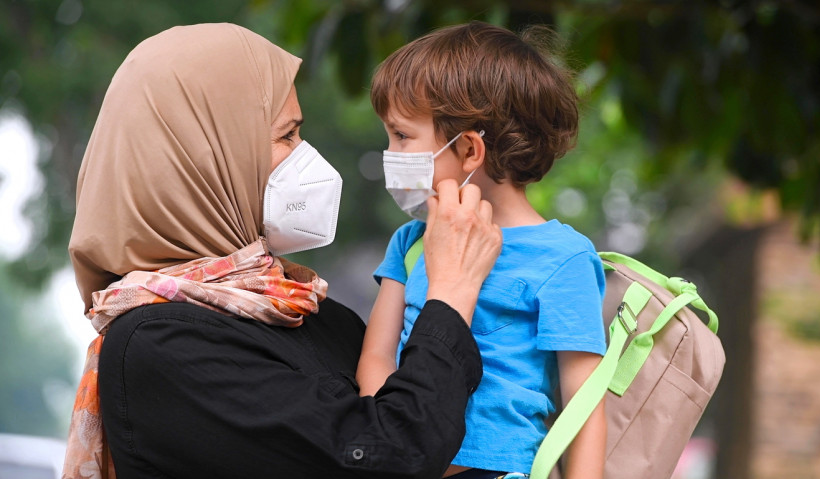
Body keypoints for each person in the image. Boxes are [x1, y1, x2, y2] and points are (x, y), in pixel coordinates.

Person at [61, 23, 502, 479]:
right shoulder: (160, 348)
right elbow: (391, 456)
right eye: (286, 136)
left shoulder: (307, 311)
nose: (305, 157)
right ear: (207, 157)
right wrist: (451, 290)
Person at [356, 22, 607, 479]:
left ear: (469, 149)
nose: (390, 152)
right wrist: (384, 444)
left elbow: (584, 406)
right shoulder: (411, 243)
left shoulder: (564, 259)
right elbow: (377, 356)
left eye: (402, 136)